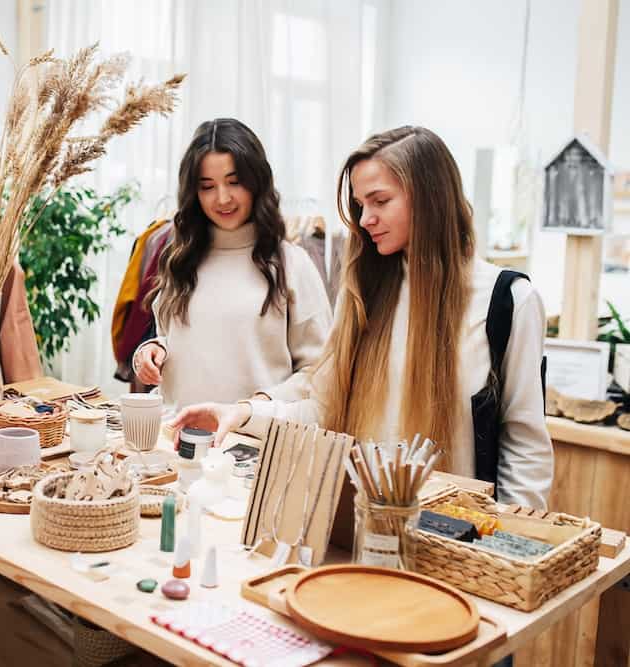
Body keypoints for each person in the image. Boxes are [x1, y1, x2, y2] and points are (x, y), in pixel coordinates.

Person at [172, 126, 553, 509]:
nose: (365, 219)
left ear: (431, 198)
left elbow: (526, 449)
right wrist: (241, 413)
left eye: (380, 201)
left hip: (456, 541)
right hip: (363, 527)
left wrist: (509, 540)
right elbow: (323, 411)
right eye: (360, 205)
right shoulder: (363, 297)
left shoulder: (507, 302)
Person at [133, 118, 332, 409]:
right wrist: (152, 351)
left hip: (251, 443)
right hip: (175, 441)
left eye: (234, 182)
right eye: (207, 186)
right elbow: (175, 339)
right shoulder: (180, 258)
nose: (222, 198)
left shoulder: (292, 264)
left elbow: (321, 370)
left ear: (256, 182)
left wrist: (261, 404)